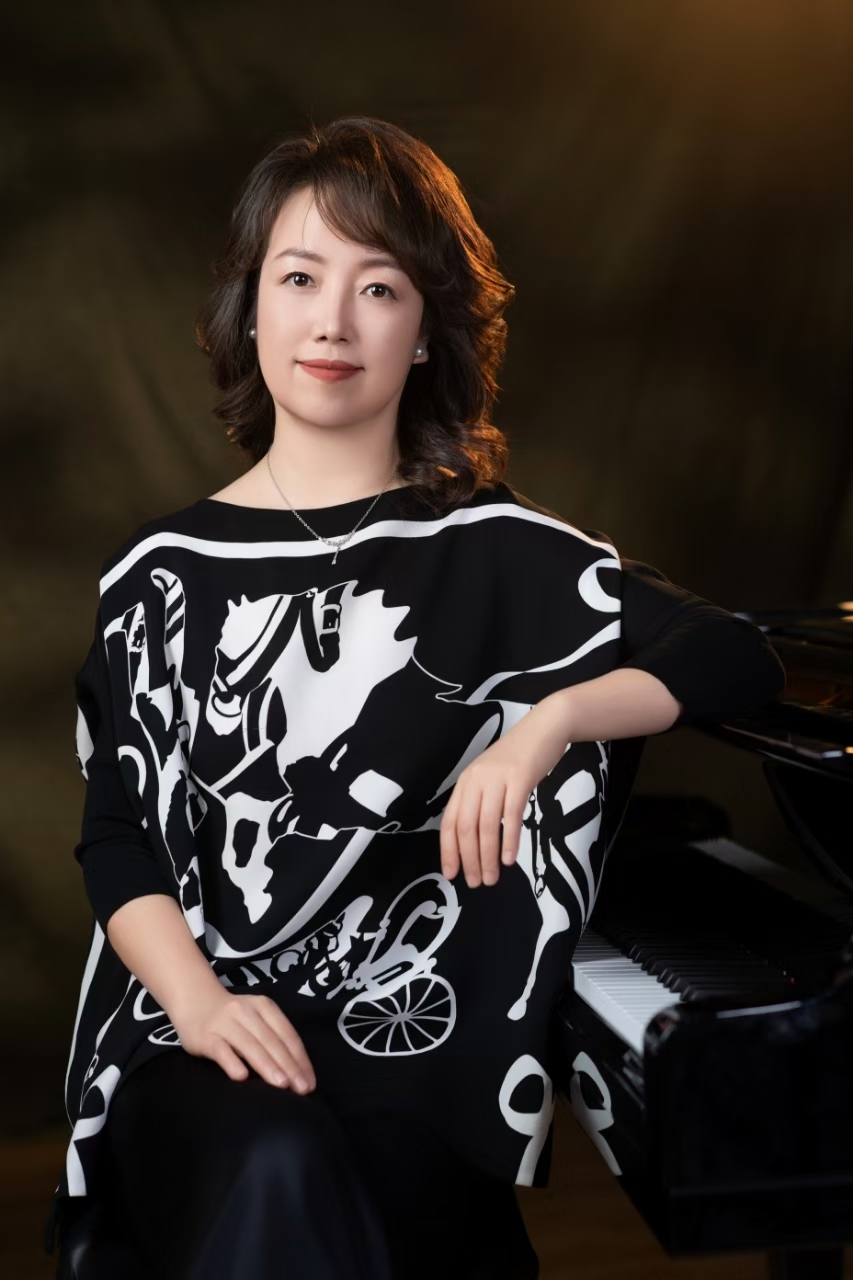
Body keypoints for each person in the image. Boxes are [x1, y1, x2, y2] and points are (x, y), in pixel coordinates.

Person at [44, 115, 786, 1279]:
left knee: (401, 1201)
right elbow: (115, 836)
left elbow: (734, 653)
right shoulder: (158, 573)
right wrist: (200, 1006)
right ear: (251, 309)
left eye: (379, 287)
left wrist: (548, 723)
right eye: (300, 278)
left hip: (411, 1044)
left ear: (428, 330)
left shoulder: (499, 550)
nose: (333, 321)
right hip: (188, 1027)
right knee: (274, 1160)